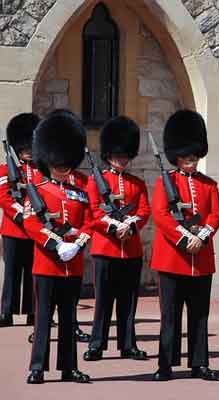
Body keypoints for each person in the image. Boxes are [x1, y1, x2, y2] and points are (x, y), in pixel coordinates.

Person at [150, 110, 219, 381]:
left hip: (200, 258)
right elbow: (161, 215)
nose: (190, 162)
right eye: (185, 158)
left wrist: (201, 236)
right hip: (172, 258)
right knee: (169, 315)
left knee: (199, 315)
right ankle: (166, 364)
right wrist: (184, 237)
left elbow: (216, 214)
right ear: (177, 157)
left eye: (193, 158)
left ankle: (199, 363)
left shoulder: (209, 185)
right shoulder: (164, 182)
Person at [24, 110, 92, 384]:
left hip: (72, 264)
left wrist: (77, 245)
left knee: (69, 318)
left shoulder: (81, 191)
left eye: (66, 163)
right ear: (47, 160)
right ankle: (38, 366)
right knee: (43, 319)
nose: (62, 167)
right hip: (47, 264)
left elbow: (90, 222)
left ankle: (68, 367)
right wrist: (55, 245)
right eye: (57, 163)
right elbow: (31, 223)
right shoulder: (38, 189)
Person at [83, 116, 150, 362]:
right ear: (108, 154)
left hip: (131, 250)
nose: (121, 160)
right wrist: (114, 227)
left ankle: (128, 344)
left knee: (128, 301)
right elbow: (93, 212)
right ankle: (97, 344)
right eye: (117, 155)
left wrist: (130, 227)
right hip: (105, 249)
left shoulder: (138, 184)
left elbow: (144, 211)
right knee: (103, 301)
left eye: (125, 156)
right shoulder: (95, 181)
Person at [0, 113, 41, 328]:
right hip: (13, 229)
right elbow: (2, 196)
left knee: (33, 272)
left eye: (31, 148)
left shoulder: (41, 171)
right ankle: (7, 313)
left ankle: (33, 312)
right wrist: (21, 213)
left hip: (35, 230)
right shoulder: (6, 169)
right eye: (25, 149)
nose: (29, 152)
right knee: (12, 272)